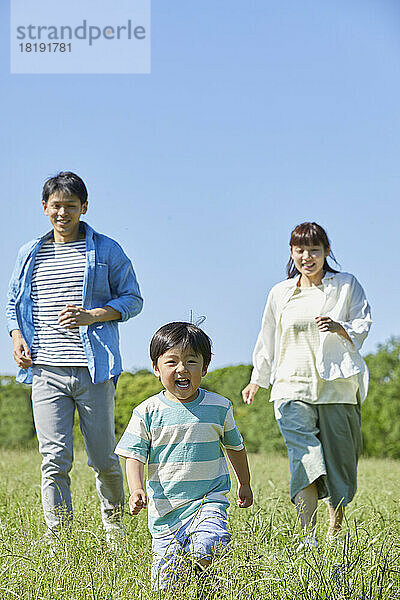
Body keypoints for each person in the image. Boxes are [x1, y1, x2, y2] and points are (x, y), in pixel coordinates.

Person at [6, 171, 143, 546]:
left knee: (103, 460)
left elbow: (133, 300)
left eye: (70, 206)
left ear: (84, 207)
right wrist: (17, 337)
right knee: (54, 460)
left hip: (93, 370)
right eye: (55, 206)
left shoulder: (106, 250)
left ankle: (115, 531)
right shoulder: (29, 252)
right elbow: (13, 306)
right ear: (44, 209)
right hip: (46, 371)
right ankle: (60, 540)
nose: (62, 212)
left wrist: (93, 315)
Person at [242, 222, 371, 547]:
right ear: (292, 253)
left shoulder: (346, 285)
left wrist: (340, 327)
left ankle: (335, 529)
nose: (307, 256)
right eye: (300, 250)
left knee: (339, 465)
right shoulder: (281, 293)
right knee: (305, 457)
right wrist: (258, 378)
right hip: (291, 387)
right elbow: (268, 338)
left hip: (337, 389)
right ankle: (307, 537)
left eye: (314, 249)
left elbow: (363, 322)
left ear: (326, 252)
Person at [115, 322, 253, 589]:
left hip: (208, 500)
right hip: (165, 509)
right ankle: (191, 580)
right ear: (156, 368)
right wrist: (136, 489)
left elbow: (236, 447)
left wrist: (244, 483)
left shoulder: (219, 407)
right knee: (165, 585)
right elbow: (134, 455)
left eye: (191, 361)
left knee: (209, 545)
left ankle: (203, 577)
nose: (182, 369)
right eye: (172, 362)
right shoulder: (147, 411)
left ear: (204, 368)